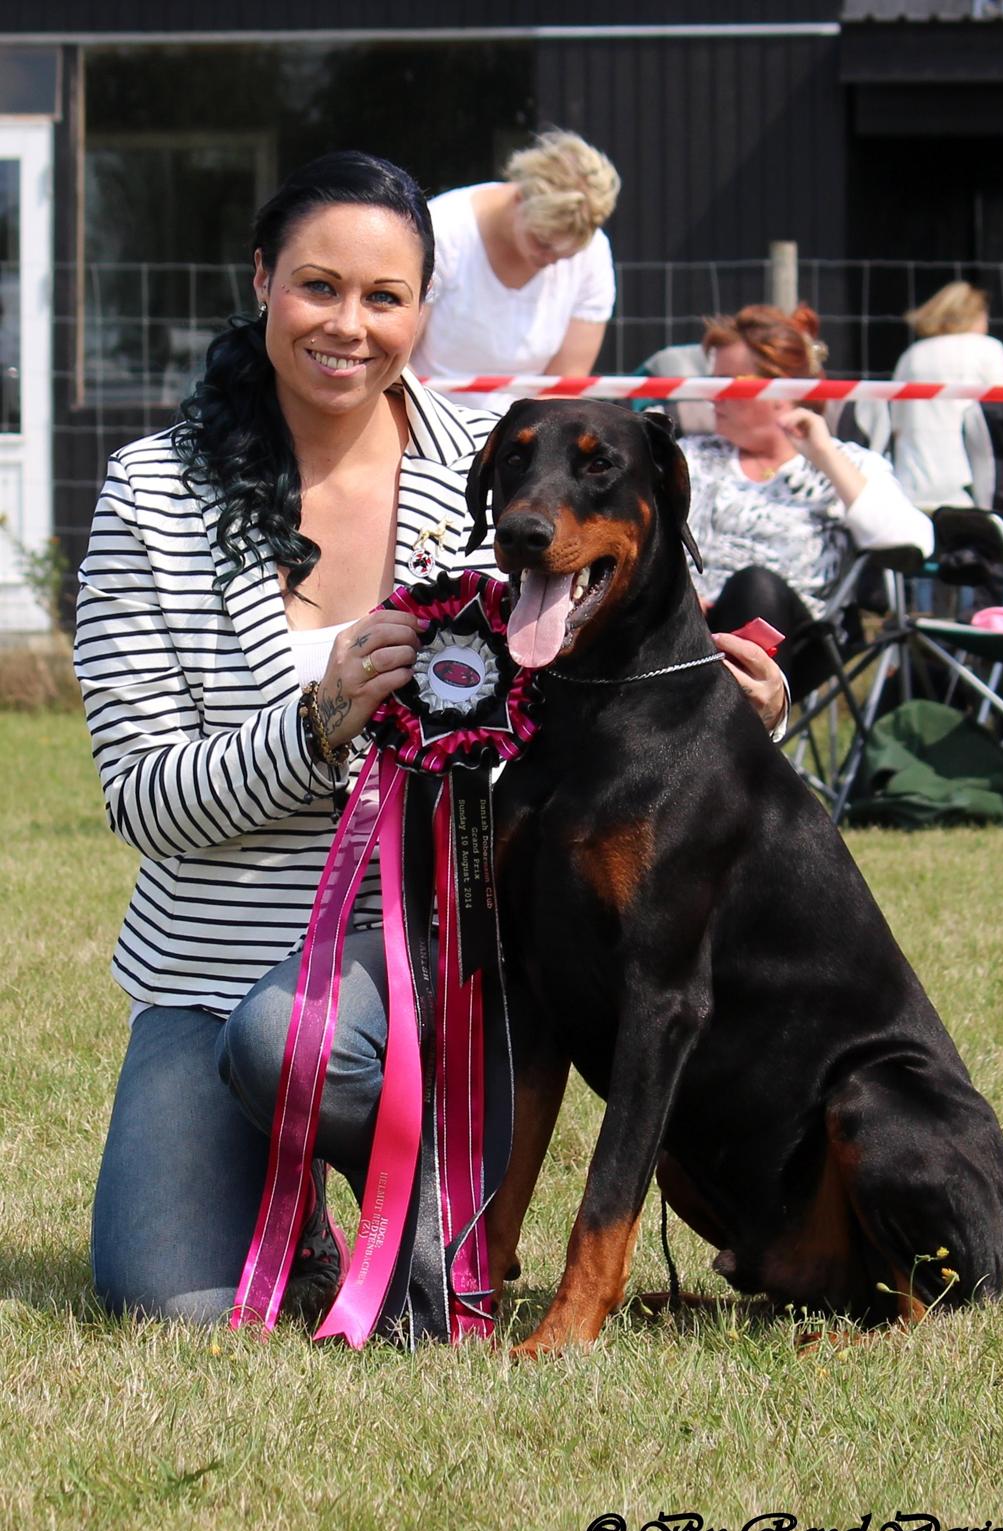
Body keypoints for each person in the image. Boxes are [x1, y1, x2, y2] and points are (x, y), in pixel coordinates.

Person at [74, 151, 788, 1329]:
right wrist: (314, 725)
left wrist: (731, 710)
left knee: (290, 1034)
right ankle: (297, 1210)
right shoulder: (153, 493)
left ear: (422, 308)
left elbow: (627, 667)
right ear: (261, 281)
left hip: (445, 974)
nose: (347, 326)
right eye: (316, 287)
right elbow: (143, 800)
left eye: (383, 297)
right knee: (166, 1297)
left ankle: (423, 1214)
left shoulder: (505, 464)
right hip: (207, 973)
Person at [682, 303, 934, 694]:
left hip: (797, 644)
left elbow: (908, 541)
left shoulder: (845, 463)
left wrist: (824, 455)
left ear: (781, 391)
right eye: (712, 382)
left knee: (756, 586)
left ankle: (744, 725)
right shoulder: (691, 457)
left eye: (730, 382)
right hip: (683, 637)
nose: (715, 397)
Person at [413, 129, 620, 411]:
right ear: (519, 197)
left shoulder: (593, 254)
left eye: (566, 255)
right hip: (428, 417)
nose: (551, 259)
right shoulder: (442, 232)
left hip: (523, 433)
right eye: (542, 241)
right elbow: (398, 358)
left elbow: (566, 385)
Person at [889, 280, 1003, 512]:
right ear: (973, 314)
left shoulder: (911, 356)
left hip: (913, 482)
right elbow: (1001, 414)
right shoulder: (988, 348)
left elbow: (897, 425)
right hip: (969, 483)